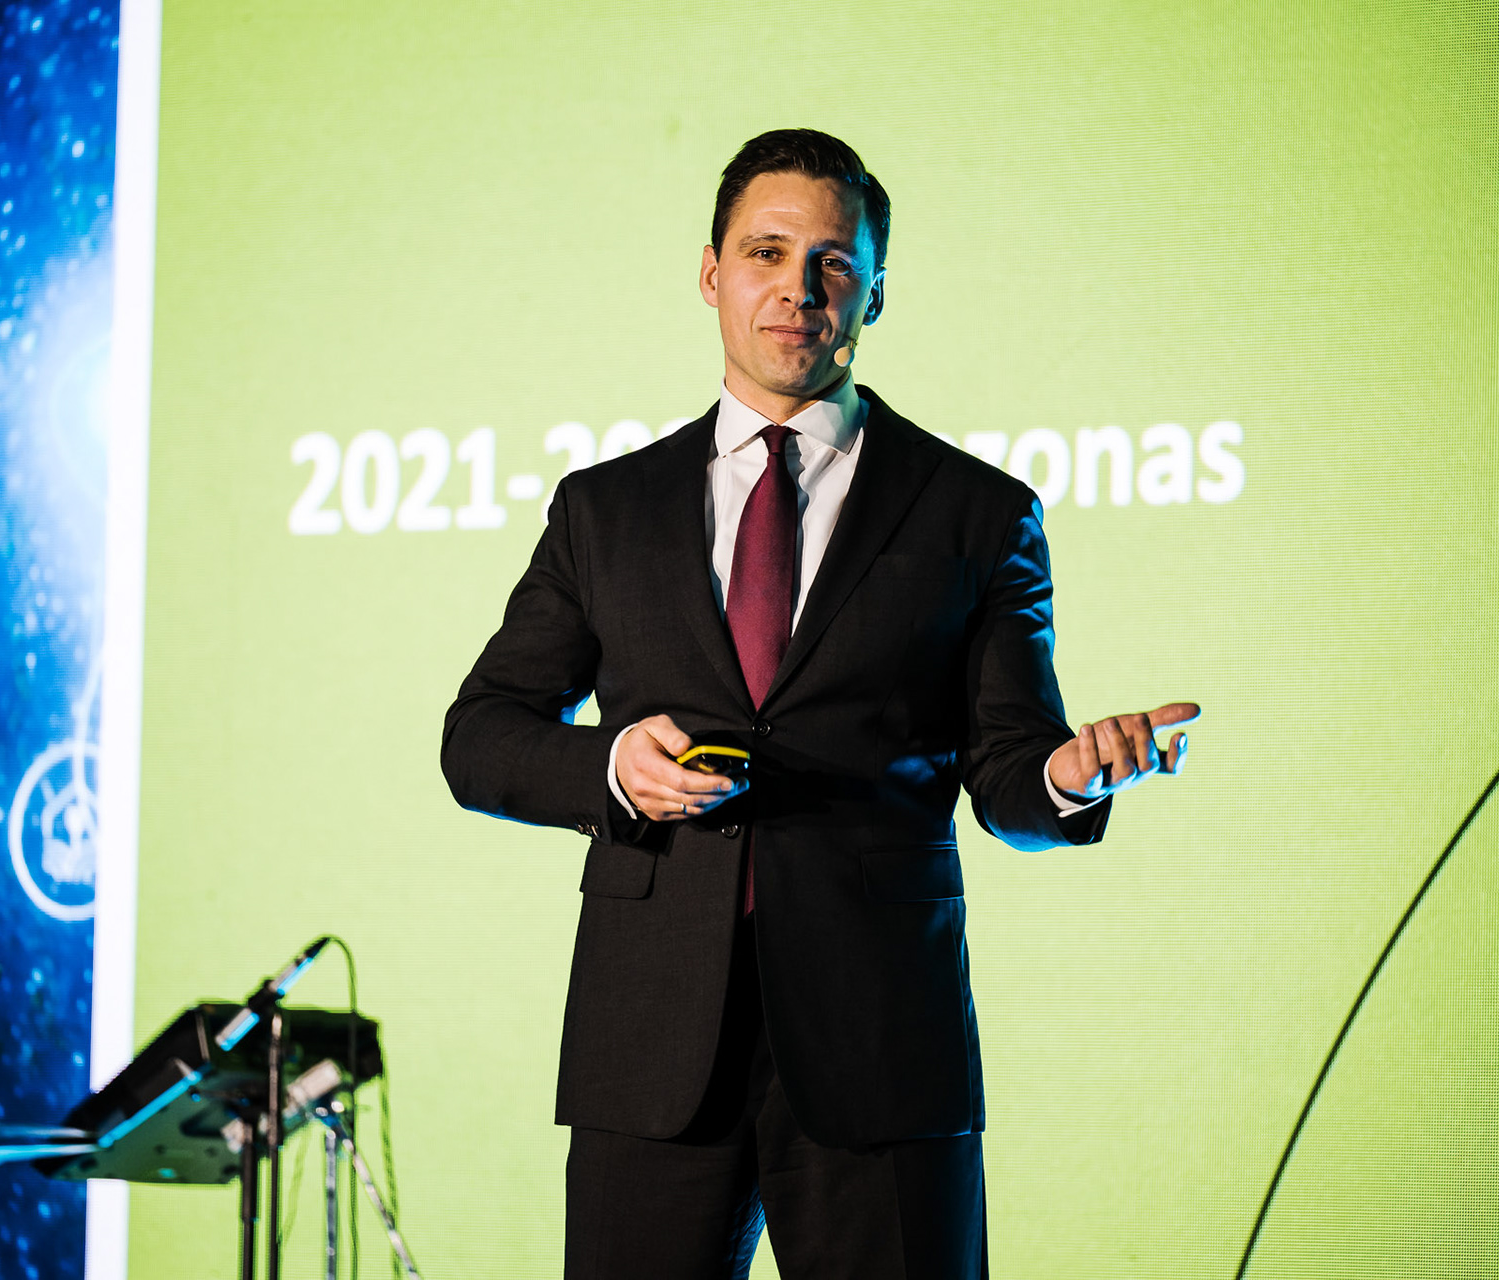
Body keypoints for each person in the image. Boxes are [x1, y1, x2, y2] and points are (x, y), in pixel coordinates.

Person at [441, 128, 1199, 1280]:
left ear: (875, 292)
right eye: (766, 252)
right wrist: (611, 765)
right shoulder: (605, 508)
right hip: (648, 1044)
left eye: (834, 263)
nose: (798, 288)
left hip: (882, 1047)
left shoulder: (977, 511)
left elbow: (1009, 769)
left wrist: (1067, 774)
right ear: (712, 274)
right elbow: (481, 737)